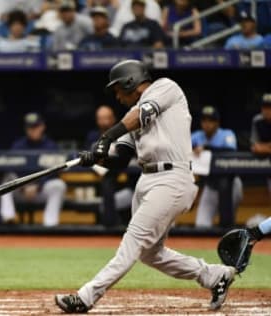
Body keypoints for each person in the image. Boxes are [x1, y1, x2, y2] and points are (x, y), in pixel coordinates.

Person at [55, 60, 235, 313]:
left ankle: (86, 296)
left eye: (118, 89)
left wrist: (107, 137)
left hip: (173, 178)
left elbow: (142, 114)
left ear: (131, 80)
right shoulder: (132, 117)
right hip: (147, 179)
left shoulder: (165, 88)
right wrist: (96, 158)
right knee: (151, 254)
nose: (117, 96)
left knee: (133, 240)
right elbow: (120, 160)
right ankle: (215, 275)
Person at [0, 113, 66, 226]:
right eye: (30, 127)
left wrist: (38, 185)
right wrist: (24, 186)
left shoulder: (51, 146)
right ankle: (8, 219)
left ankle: (50, 225)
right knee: (6, 182)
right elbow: (11, 169)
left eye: (35, 127)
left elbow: (55, 172)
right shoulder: (18, 146)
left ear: (42, 127)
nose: (32, 130)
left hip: (41, 191)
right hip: (21, 191)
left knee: (58, 185)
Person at [191, 106, 242, 228]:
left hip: (231, 185)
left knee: (227, 223)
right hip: (211, 186)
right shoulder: (196, 136)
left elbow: (231, 153)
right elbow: (183, 150)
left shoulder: (227, 134)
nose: (207, 124)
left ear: (217, 123)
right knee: (201, 225)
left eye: (211, 120)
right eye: (204, 120)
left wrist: (207, 149)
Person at [85, 105, 134, 227]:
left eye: (107, 118)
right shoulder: (92, 137)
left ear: (113, 119)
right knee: (107, 181)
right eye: (101, 118)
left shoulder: (123, 135)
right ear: (97, 120)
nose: (105, 122)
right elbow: (89, 158)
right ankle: (110, 227)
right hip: (102, 181)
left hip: (126, 183)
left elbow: (127, 160)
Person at [250, 93, 271, 196]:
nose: (267, 110)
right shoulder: (257, 120)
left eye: (270, 107)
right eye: (265, 107)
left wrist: (264, 147)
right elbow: (255, 146)